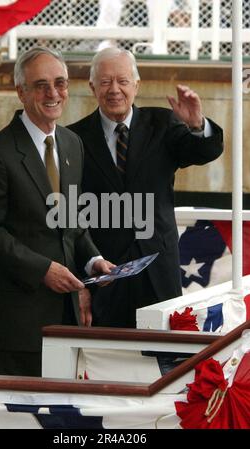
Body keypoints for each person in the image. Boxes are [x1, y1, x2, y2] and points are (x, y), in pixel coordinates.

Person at [0, 47, 113, 377]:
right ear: (21, 91)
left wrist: (92, 260)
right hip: (19, 321)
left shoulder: (72, 143)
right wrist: (44, 269)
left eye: (60, 83)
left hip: (69, 315)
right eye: (41, 85)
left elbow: (72, 221)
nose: (53, 93)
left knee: (66, 417)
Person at [68, 47, 223, 328]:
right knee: (106, 361)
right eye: (105, 82)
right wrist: (80, 283)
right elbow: (69, 217)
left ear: (136, 85)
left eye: (123, 81)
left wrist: (198, 124)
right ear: (92, 87)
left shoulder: (163, 124)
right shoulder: (74, 138)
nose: (114, 89)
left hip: (158, 270)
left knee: (162, 362)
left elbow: (205, 152)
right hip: (104, 275)